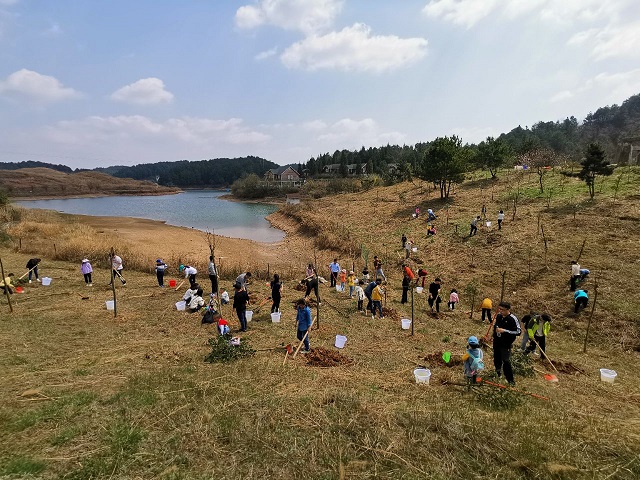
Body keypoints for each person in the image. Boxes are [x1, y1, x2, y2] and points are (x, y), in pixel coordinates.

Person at [492, 302, 521, 385]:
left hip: (506, 343)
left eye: (502, 310)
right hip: (497, 341)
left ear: (508, 309)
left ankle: (510, 380)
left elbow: (518, 332)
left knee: (506, 361)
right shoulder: (499, 316)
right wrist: (493, 335)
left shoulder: (512, 319)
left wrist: (505, 331)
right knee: (497, 357)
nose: (500, 311)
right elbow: (496, 326)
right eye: (499, 309)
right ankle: (498, 373)